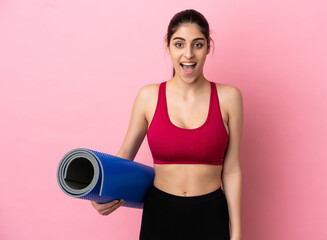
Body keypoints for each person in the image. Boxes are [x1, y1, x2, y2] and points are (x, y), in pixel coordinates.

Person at [91, 9, 243, 240]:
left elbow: (231, 170)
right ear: (168, 45)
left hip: (211, 215)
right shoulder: (148, 97)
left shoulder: (229, 98)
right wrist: (100, 193)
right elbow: (124, 155)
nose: (188, 54)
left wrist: (237, 233)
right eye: (179, 44)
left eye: (198, 45)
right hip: (160, 214)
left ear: (208, 47)